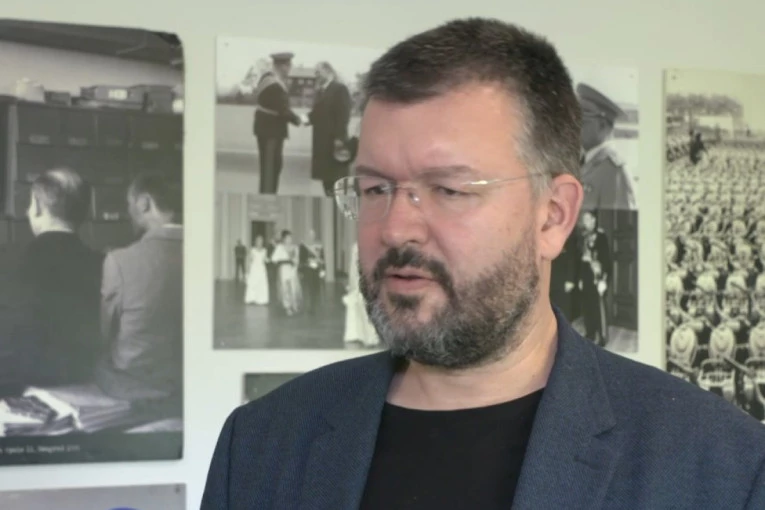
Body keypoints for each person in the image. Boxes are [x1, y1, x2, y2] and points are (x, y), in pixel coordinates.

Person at [201, 18, 765, 509]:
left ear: (553, 216)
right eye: (374, 188)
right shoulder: (260, 446)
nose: (395, 228)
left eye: (448, 190)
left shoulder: (718, 467)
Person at [0, 168, 103, 396]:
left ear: (37, 206)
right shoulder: (106, 264)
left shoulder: (6, 261)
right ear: (85, 213)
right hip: (86, 384)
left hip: (15, 389)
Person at [95, 173, 183, 413]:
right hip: (187, 381)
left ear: (144, 203)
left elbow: (105, 333)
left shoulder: (119, 260)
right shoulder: (203, 251)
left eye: (129, 204)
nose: (128, 211)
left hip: (138, 384)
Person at [577, 82, 637, 211]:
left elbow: (618, 224)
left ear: (602, 125)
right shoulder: (582, 161)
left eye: (582, 123)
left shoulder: (614, 172)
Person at [253, 52, 302, 194]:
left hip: (267, 130)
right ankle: (267, 200)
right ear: (282, 66)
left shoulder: (268, 79)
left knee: (271, 168)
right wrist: (299, 120)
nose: (290, 68)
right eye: (289, 65)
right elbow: (283, 109)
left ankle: (267, 196)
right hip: (271, 132)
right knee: (271, 169)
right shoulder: (274, 84)